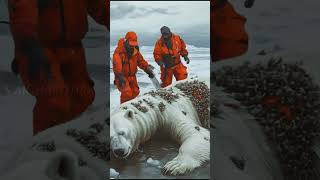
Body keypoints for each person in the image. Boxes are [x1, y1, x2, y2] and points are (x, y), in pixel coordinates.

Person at [8, 0, 109, 135]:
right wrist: (28, 45)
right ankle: (45, 150)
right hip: (38, 49)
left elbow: (101, 6)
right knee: (54, 100)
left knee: (82, 97)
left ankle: (74, 145)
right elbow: (23, 9)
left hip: (72, 48)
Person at [112, 31, 154, 104]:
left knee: (135, 93)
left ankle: (133, 110)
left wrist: (147, 69)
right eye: (131, 44)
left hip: (132, 77)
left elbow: (141, 62)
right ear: (126, 41)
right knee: (127, 93)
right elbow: (117, 66)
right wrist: (120, 76)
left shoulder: (135, 52)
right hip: (121, 76)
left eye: (133, 44)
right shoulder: (118, 52)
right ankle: (124, 111)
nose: (132, 46)